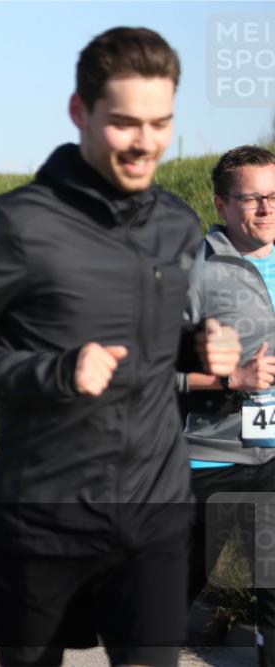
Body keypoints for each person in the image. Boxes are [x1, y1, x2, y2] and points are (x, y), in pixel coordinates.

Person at [0, 27, 242, 667]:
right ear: (79, 112)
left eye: (161, 122)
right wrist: (52, 370)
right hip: (43, 518)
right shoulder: (15, 223)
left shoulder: (177, 221)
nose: (145, 143)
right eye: (124, 123)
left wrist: (196, 351)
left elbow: (147, 344)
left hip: (153, 513)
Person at [179, 144, 275, 667]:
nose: (266, 209)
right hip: (212, 458)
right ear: (221, 205)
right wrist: (229, 378)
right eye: (252, 199)